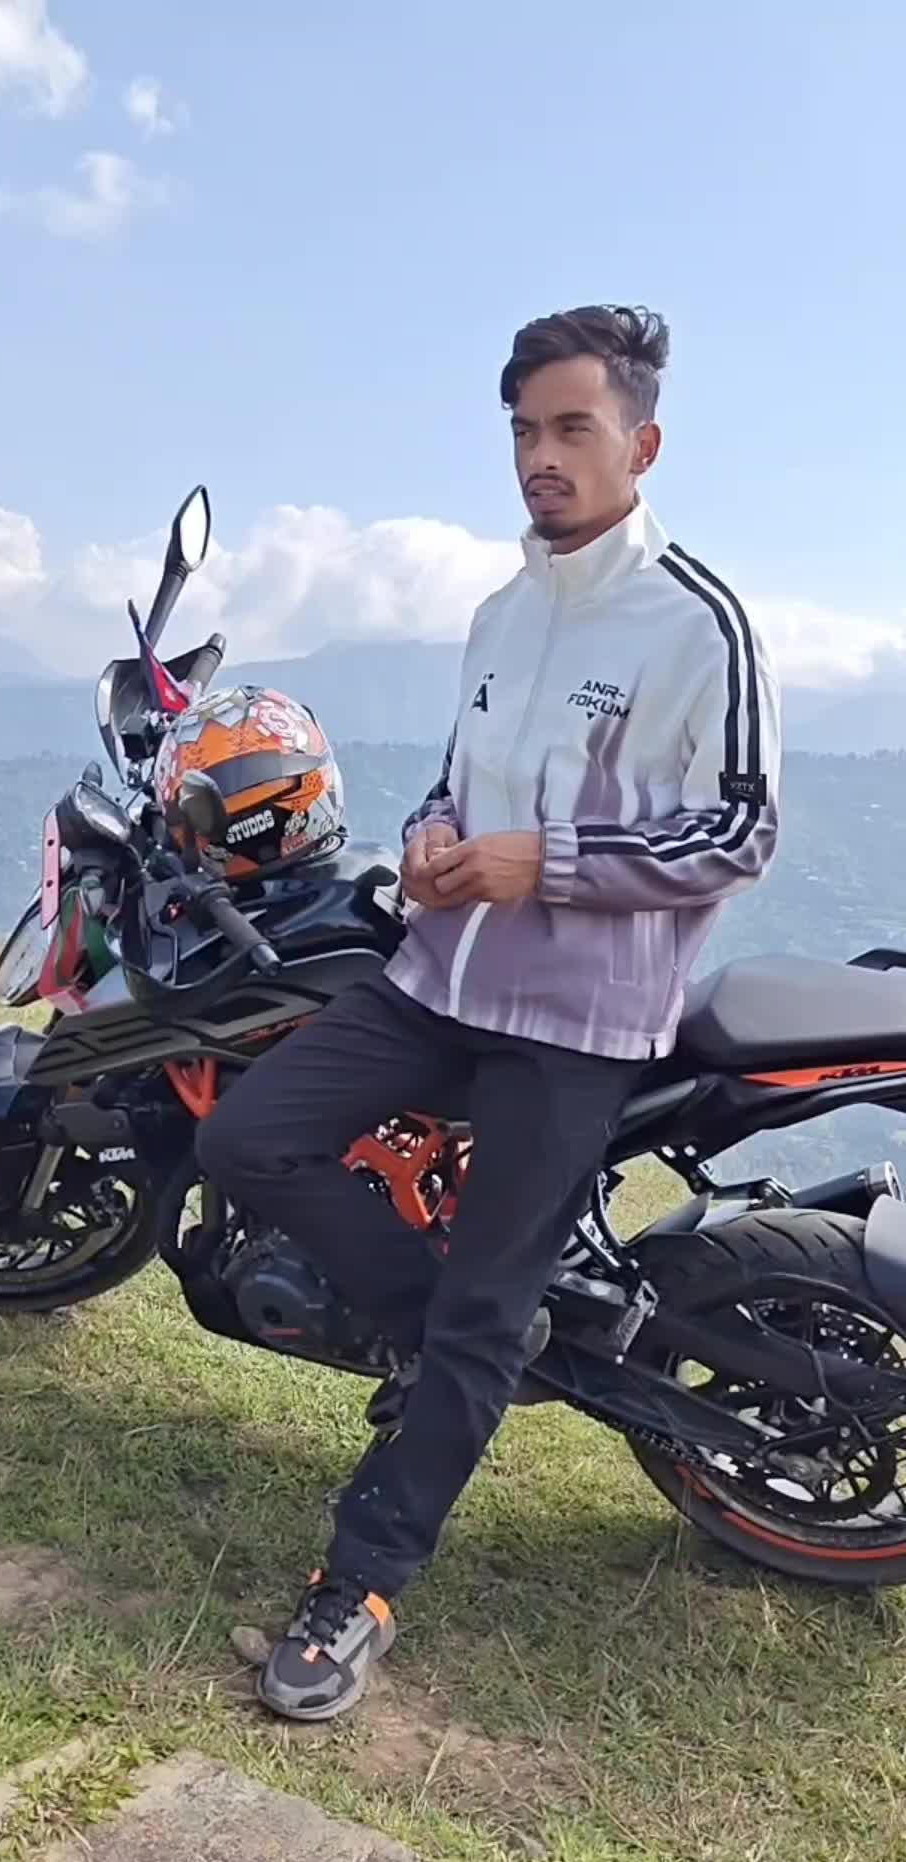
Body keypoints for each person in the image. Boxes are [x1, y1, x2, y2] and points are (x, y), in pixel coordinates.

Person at [197, 304, 781, 1722]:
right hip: (441, 977)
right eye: (525, 430)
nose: (541, 456)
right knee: (248, 1140)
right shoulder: (502, 613)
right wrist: (431, 834)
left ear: (642, 444)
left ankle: (361, 1586)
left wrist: (546, 864)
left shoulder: (698, 619)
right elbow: (457, 782)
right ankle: (463, 1330)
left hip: (579, 1021)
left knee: (479, 1305)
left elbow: (742, 831)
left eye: (573, 427)